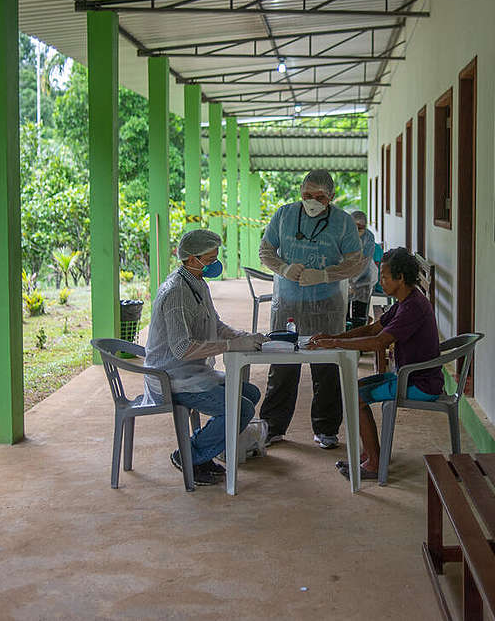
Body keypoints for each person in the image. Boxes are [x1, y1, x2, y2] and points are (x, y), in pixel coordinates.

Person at [143, 229, 266, 486]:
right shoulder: (176, 291)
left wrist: (244, 336)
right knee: (240, 408)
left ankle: (207, 445)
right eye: (209, 259)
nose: (214, 263)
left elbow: (215, 323)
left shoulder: (196, 281)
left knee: (250, 393)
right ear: (191, 258)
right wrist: (230, 345)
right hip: (172, 378)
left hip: (191, 373)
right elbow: (182, 349)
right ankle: (189, 455)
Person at [309, 247, 443, 480]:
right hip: (409, 376)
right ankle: (372, 455)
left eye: (384, 277)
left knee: (355, 396)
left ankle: (374, 463)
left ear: (400, 278)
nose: (381, 282)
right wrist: (335, 337)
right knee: (354, 391)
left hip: (421, 383)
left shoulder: (413, 308)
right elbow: (373, 328)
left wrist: (333, 343)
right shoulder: (404, 301)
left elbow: (379, 341)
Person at [257, 169, 367, 449]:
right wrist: (282, 267)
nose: (312, 201)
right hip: (288, 303)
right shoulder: (284, 215)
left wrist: (326, 274)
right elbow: (265, 250)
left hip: (327, 304)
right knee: (282, 364)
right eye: (307, 195)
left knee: (327, 365)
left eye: (319, 197)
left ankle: (326, 429)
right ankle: (272, 426)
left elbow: (356, 261)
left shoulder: (342, 222)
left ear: (330, 197)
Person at [347, 210, 384, 330]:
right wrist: (347, 280)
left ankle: (359, 326)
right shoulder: (344, 235)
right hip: (345, 272)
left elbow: (365, 261)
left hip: (365, 274)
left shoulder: (368, 237)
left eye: (361, 228)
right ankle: (346, 324)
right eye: (354, 227)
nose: (357, 231)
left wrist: (354, 281)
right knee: (344, 301)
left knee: (361, 298)